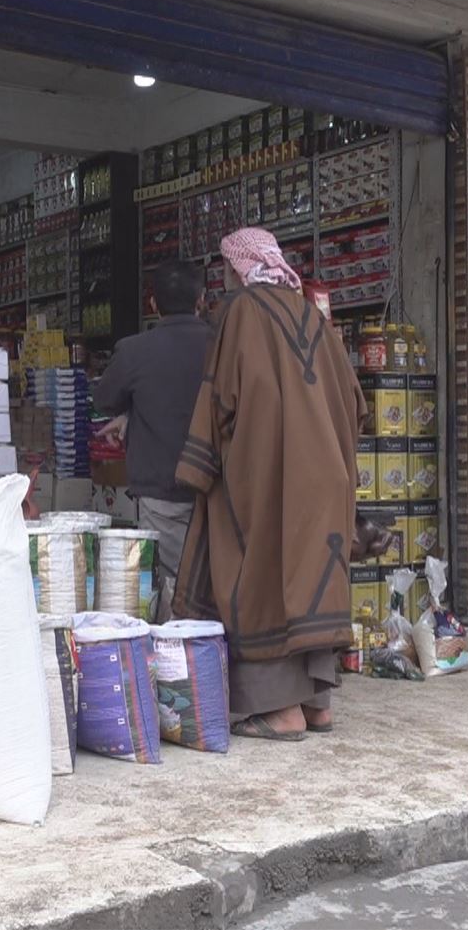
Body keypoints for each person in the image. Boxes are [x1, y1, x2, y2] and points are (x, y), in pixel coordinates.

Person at [173, 228, 367, 740]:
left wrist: (199, 466)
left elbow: (220, 396)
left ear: (238, 267)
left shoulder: (241, 311)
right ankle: (318, 705)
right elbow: (355, 401)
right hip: (325, 477)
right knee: (313, 578)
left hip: (267, 476)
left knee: (256, 580)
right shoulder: (313, 316)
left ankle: (281, 713)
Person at [93, 260, 213, 619]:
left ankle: (183, 662)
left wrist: (132, 410)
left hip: (161, 491)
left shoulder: (134, 351)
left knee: (172, 585)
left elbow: (103, 400)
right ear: (202, 300)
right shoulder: (222, 345)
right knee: (215, 580)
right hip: (217, 489)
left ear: (153, 304)